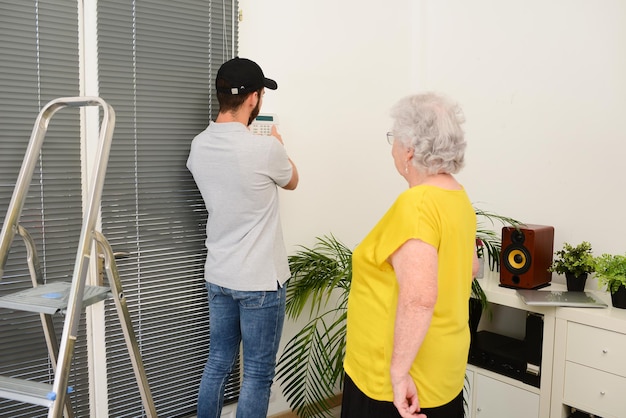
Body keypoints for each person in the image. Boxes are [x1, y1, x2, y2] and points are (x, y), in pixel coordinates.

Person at [341, 93, 478, 418]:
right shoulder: (458, 198)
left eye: (394, 138)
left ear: (410, 149)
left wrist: (399, 373)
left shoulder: (416, 205)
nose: (392, 148)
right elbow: (471, 268)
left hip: (399, 379)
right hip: (444, 370)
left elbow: (419, 298)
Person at [187, 57, 299, 418]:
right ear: (254, 99)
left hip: (219, 275)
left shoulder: (199, 147)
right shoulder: (265, 149)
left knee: (217, 363)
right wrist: (279, 144)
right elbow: (293, 180)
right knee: (257, 374)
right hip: (260, 282)